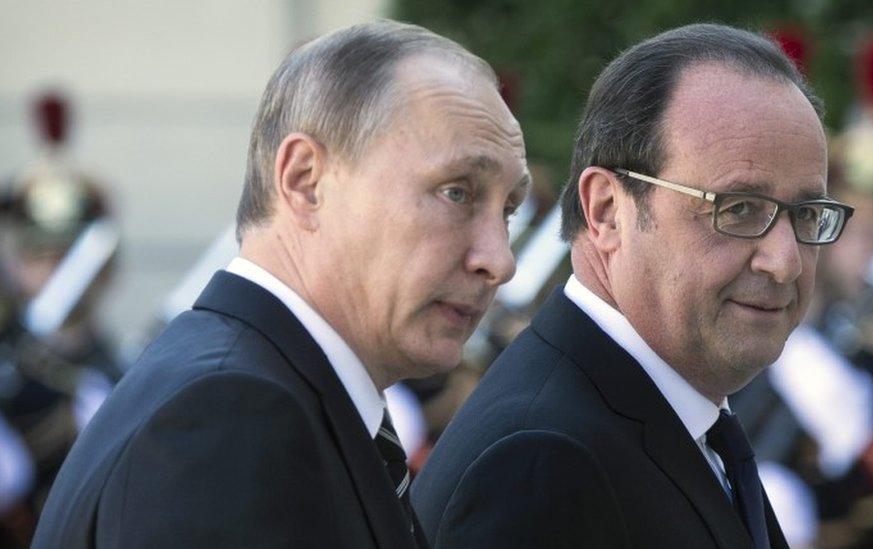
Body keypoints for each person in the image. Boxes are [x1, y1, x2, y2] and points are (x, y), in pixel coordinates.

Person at [33, 20, 529, 548]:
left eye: (510, 209)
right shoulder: (231, 415)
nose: (499, 261)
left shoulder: (267, 393)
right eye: (457, 192)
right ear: (305, 181)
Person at [413, 23, 854, 548]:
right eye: (738, 208)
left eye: (807, 214)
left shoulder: (670, 416)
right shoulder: (541, 461)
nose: (785, 262)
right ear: (607, 212)